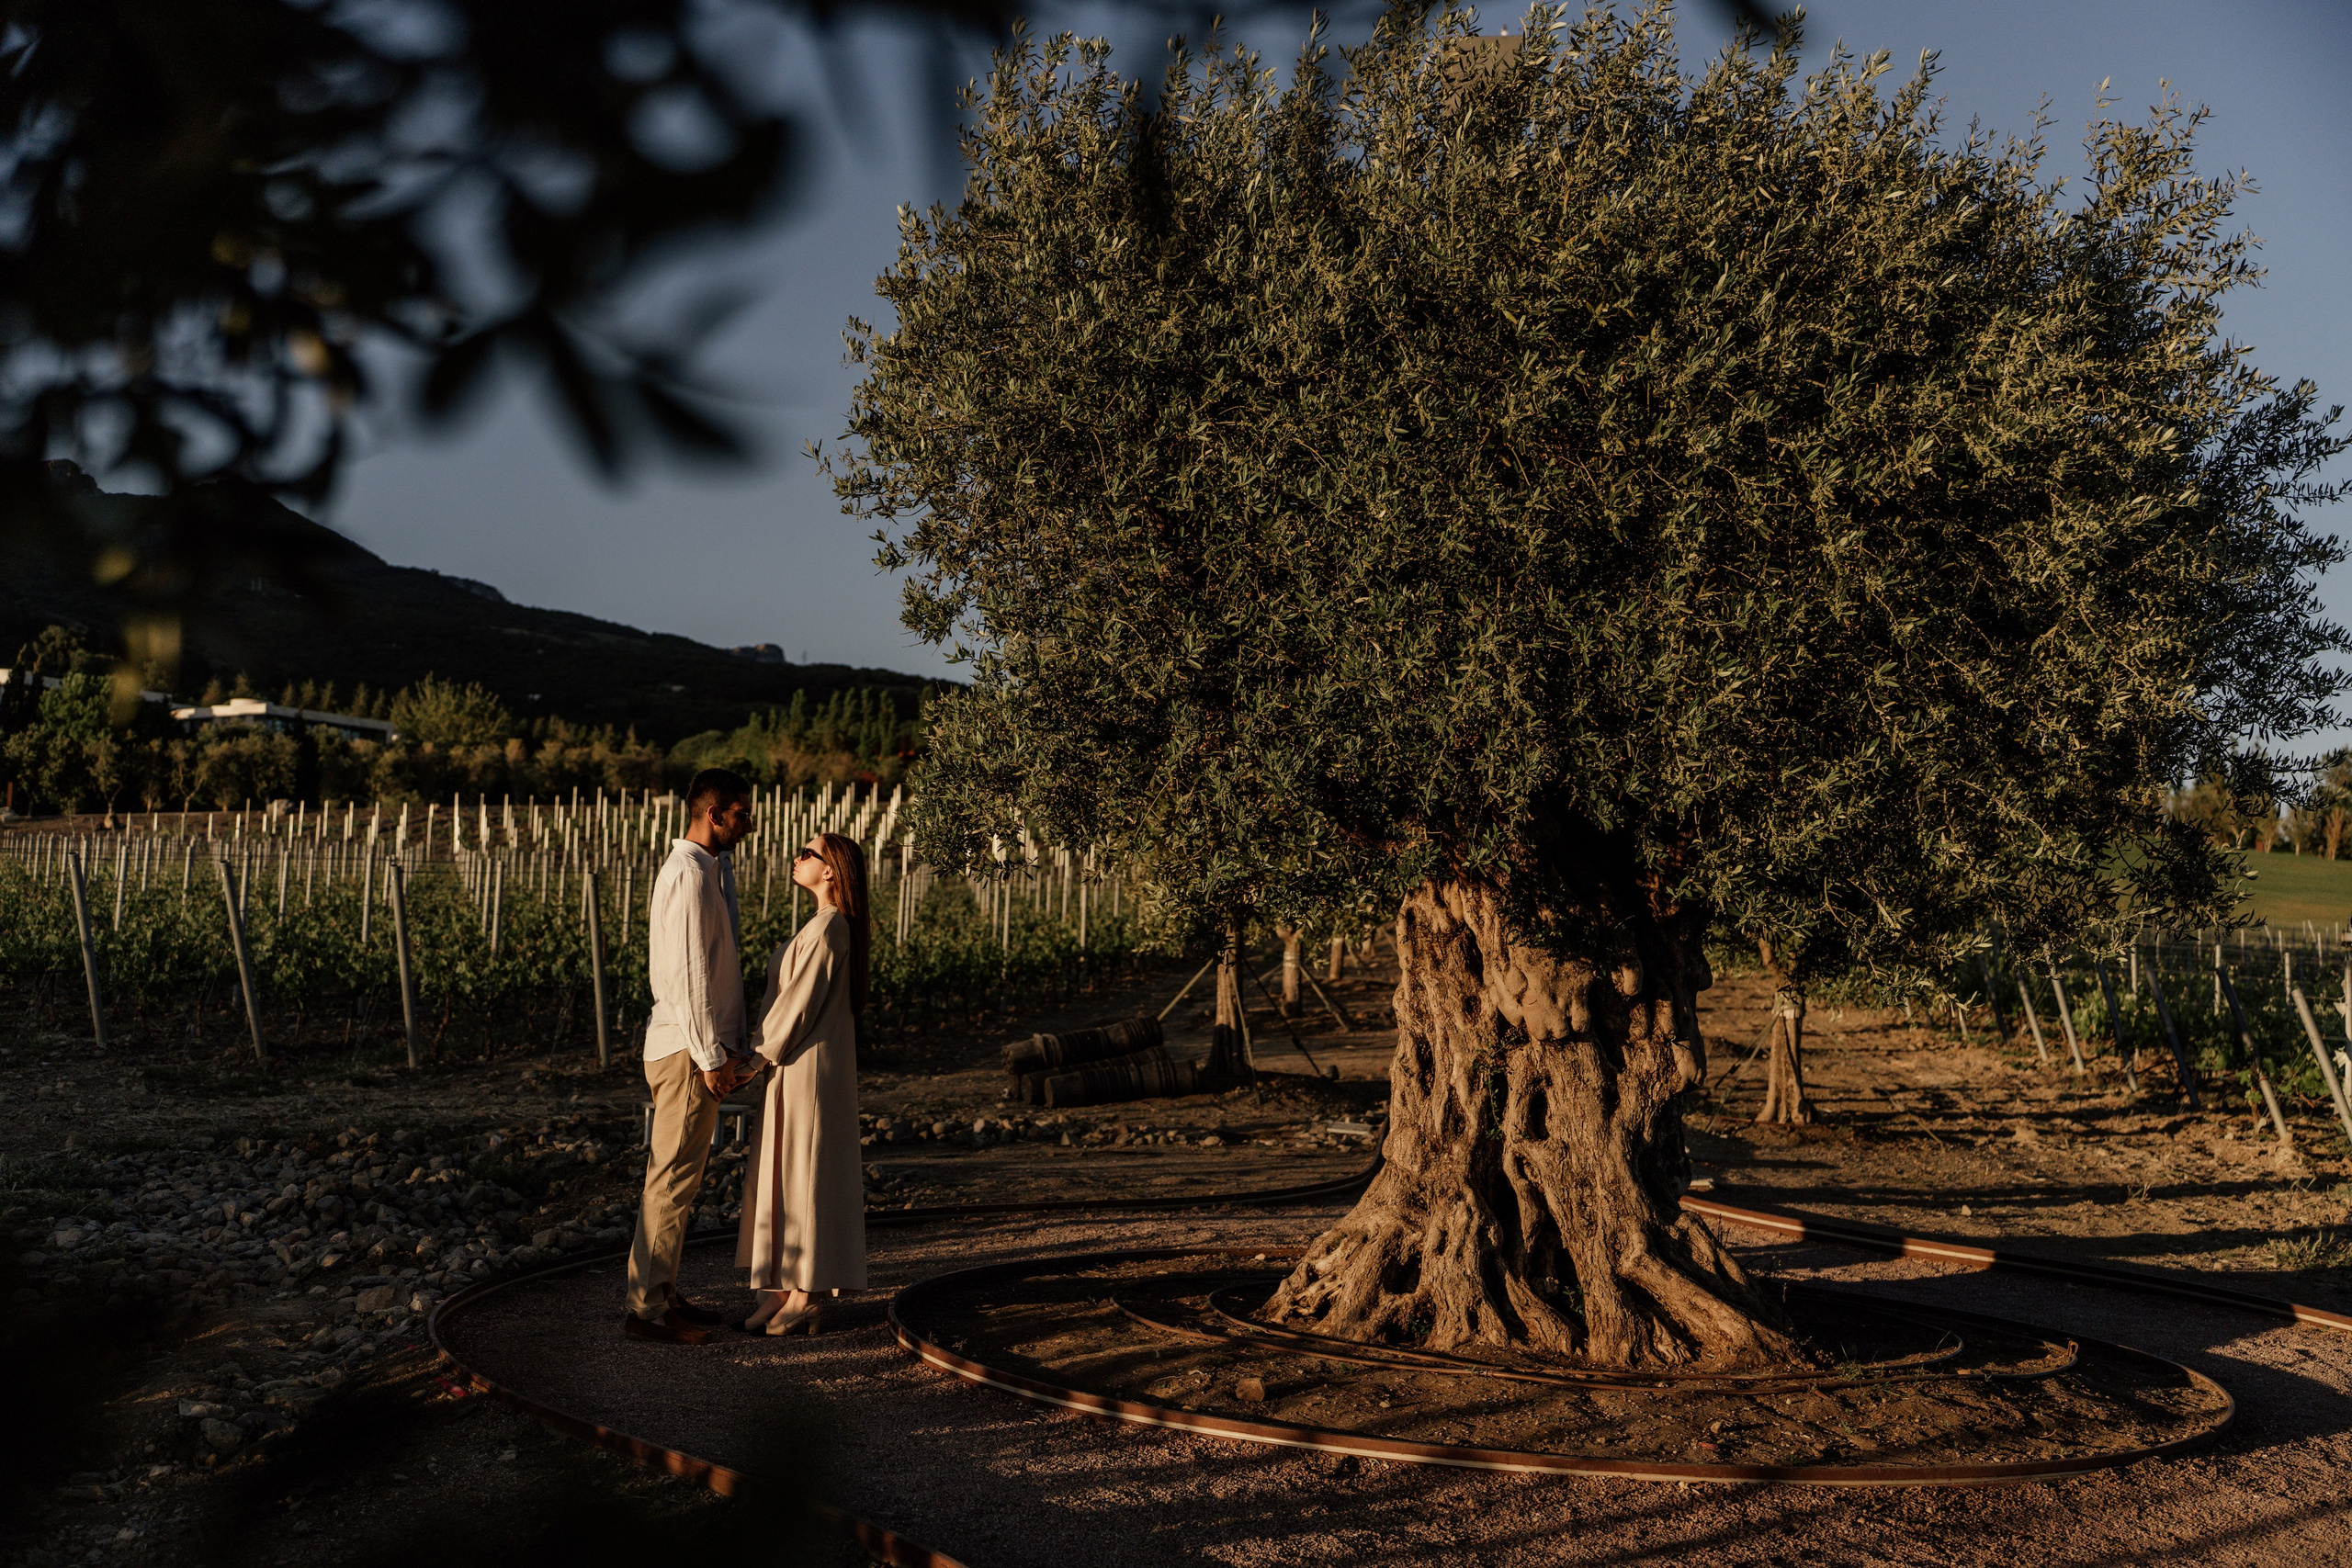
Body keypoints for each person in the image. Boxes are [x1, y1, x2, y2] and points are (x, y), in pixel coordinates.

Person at [624, 767, 757, 1344]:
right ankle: (648, 1312)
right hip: (685, 1049)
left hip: (694, 1047)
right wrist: (709, 1057)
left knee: (681, 1178)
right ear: (715, 814)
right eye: (742, 813)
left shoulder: (708, 871)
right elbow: (687, 976)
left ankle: (664, 1293)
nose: (748, 823)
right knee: (672, 1178)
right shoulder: (687, 876)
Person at [737, 830, 869, 1335]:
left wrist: (756, 1057)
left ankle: (805, 1293)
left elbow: (798, 1005)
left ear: (831, 870)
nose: (797, 858)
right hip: (794, 1065)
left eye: (807, 853)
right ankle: (780, 1287)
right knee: (785, 1171)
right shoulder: (820, 925)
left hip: (806, 1067)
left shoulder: (831, 928)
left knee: (804, 1172)